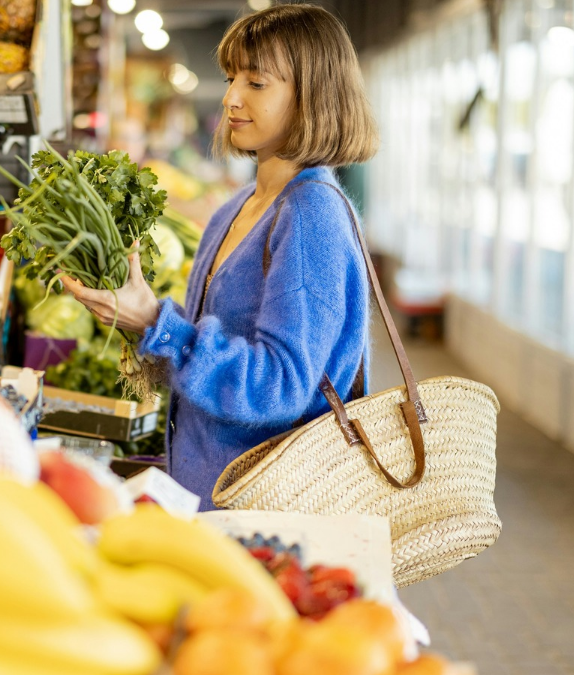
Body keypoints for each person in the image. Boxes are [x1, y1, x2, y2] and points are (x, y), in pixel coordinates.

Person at [61, 4, 378, 509]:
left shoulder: (311, 213)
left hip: (266, 510)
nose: (231, 97)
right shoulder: (237, 208)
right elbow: (212, 351)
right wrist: (140, 322)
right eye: (232, 78)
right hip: (208, 493)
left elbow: (280, 386)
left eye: (257, 83)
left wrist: (160, 325)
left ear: (313, 94)